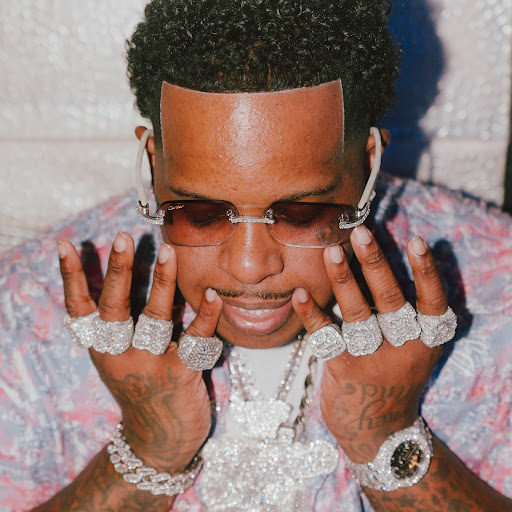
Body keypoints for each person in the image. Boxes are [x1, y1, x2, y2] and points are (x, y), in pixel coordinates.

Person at [1, 0, 511, 510]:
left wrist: (386, 436)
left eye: (301, 213)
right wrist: (149, 451)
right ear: (153, 165)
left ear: (368, 161)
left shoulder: (495, 289)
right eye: (200, 212)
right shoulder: (30, 307)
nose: (249, 267)